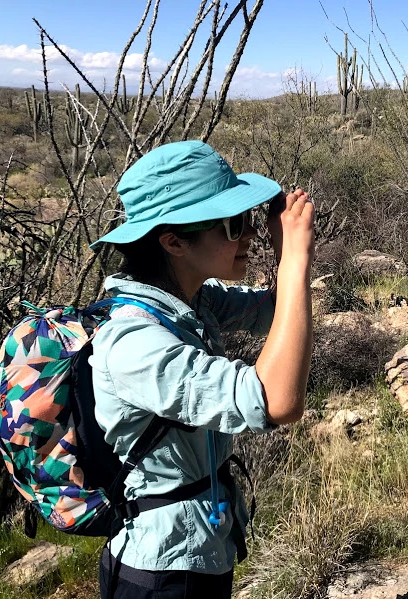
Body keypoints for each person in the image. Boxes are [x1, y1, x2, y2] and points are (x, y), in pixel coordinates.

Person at [88, 140, 314, 599]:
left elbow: (283, 312)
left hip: (202, 547)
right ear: (173, 241)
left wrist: (282, 247)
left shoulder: (192, 299)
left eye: (249, 221)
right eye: (234, 225)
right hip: (161, 572)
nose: (247, 235)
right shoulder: (134, 343)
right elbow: (276, 399)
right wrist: (294, 260)